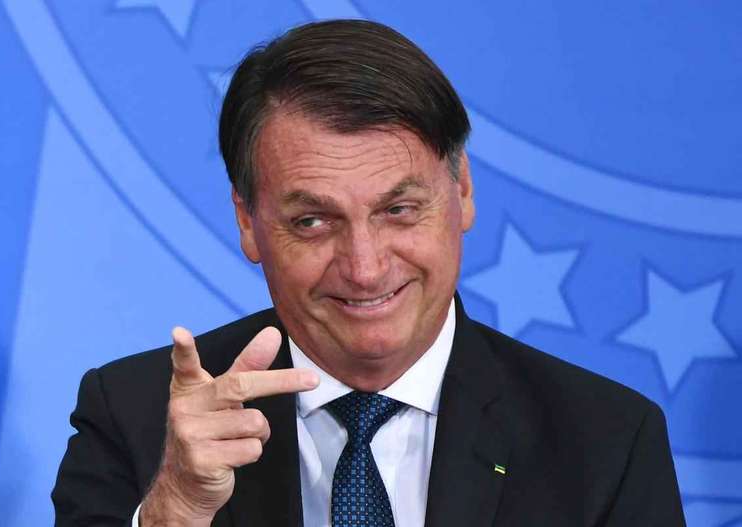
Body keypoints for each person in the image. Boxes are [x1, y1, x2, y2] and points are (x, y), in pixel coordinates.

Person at [52, 19, 685, 526]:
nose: (364, 267)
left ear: (462, 191)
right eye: (312, 221)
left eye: (398, 210)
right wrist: (177, 512)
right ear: (247, 221)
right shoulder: (136, 416)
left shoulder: (605, 442)